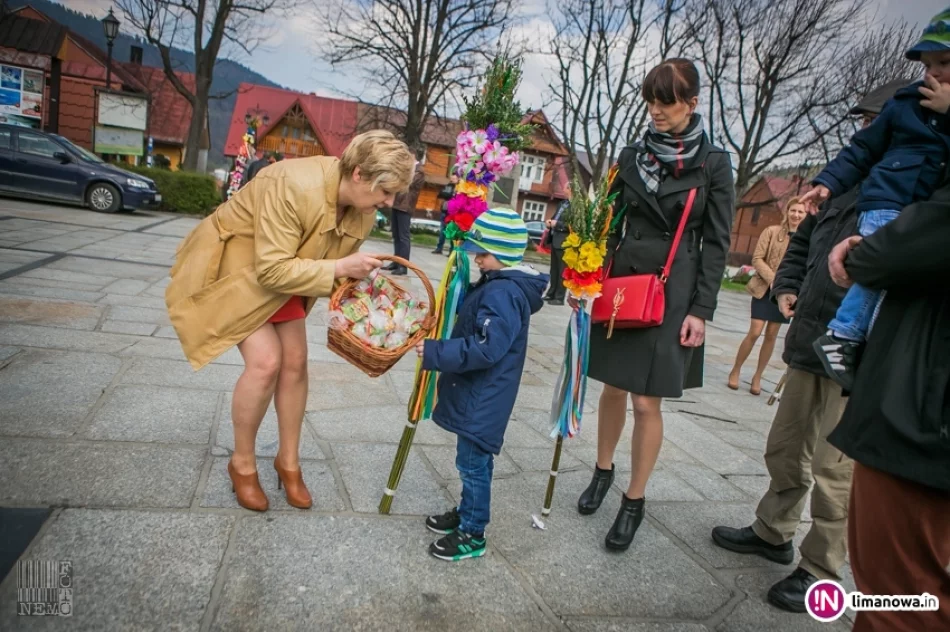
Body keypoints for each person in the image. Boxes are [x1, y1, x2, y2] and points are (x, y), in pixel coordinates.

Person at [710, 80, 907, 614]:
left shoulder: (909, 192)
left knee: (834, 469)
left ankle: (821, 569)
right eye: (863, 122)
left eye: (876, 121)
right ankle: (773, 532)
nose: (866, 131)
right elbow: (800, 244)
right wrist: (789, 285)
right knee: (785, 448)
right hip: (809, 341)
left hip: (857, 354)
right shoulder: (840, 189)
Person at [165, 130, 414, 512]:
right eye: (386, 191)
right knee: (266, 363)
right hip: (240, 268)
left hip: (286, 273)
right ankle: (242, 465)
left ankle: (289, 463)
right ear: (360, 174)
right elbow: (272, 270)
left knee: (296, 362)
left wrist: (367, 296)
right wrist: (340, 266)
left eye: (395, 194)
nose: (389, 202)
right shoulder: (291, 184)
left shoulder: (362, 212)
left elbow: (326, 268)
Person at [578, 58, 735, 551]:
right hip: (625, 278)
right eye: (650, 100)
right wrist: (586, 274)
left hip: (676, 289)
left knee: (648, 400)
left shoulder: (713, 163)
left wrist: (702, 311)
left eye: (665, 102)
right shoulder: (631, 155)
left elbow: (718, 241)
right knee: (613, 387)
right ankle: (602, 470)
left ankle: (633, 499)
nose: (655, 111)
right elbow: (606, 221)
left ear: (692, 103)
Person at [802, 12, 950, 390]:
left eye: (944, 64)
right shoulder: (903, 106)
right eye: (928, 65)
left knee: (893, 276)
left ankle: (856, 337)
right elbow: (862, 150)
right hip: (888, 198)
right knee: (884, 266)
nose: (933, 74)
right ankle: (845, 335)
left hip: (921, 210)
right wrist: (828, 183)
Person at [826, 185, 950, 632]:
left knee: (900, 599)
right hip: (923, 407)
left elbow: (895, 252)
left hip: (921, 416)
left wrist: (860, 253)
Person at [415, 208, 547, 561]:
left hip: (483, 396)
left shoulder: (504, 293)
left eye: (483, 253)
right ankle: (467, 511)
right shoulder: (498, 284)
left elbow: (487, 348)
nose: (477, 258)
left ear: (502, 255)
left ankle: (473, 531)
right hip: (481, 393)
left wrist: (435, 352)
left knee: (472, 464)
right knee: (471, 461)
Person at [727, 198, 807, 395]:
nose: (796, 215)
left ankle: (757, 377)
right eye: (793, 210)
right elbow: (757, 258)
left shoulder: (806, 239)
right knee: (755, 331)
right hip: (764, 289)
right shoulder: (771, 232)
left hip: (786, 294)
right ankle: (735, 370)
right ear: (787, 212)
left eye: (801, 212)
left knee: (771, 335)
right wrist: (774, 279)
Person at [385, 150, 426, 275]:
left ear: (414, 155)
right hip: (397, 204)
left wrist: (403, 172)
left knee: (403, 237)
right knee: (396, 234)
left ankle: (403, 266)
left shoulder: (419, 171)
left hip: (406, 206)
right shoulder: (407, 169)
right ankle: (396, 261)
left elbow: (408, 183)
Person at [543, 197, 571, 305]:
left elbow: (573, 225)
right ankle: (551, 293)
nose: (564, 189)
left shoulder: (575, 205)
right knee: (553, 270)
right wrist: (549, 222)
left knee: (562, 271)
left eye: (566, 187)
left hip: (564, 242)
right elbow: (555, 217)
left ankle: (559, 297)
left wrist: (557, 224)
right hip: (555, 240)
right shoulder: (563, 203)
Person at [432, 174, 459, 255]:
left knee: (451, 232)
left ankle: (451, 251)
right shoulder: (448, 186)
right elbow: (440, 194)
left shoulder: (458, 188)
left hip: (453, 213)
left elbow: (452, 196)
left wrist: (448, 195)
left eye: (454, 178)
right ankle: (439, 248)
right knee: (442, 232)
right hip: (444, 211)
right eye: (451, 178)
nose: (452, 180)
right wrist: (447, 194)